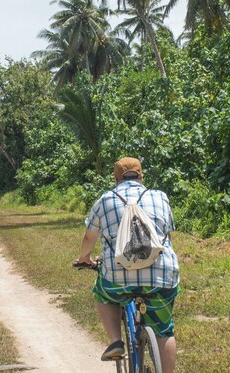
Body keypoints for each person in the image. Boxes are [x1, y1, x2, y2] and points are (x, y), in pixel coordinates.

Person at [75, 157, 180, 373]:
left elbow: (89, 237)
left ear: (116, 178)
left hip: (118, 278)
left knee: (102, 294)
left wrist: (85, 257)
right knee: (164, 331)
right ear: (141, 176)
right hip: (161, 277)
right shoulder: (160, 196)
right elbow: (166, 232)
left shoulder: (105, 199)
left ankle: (115, 341)